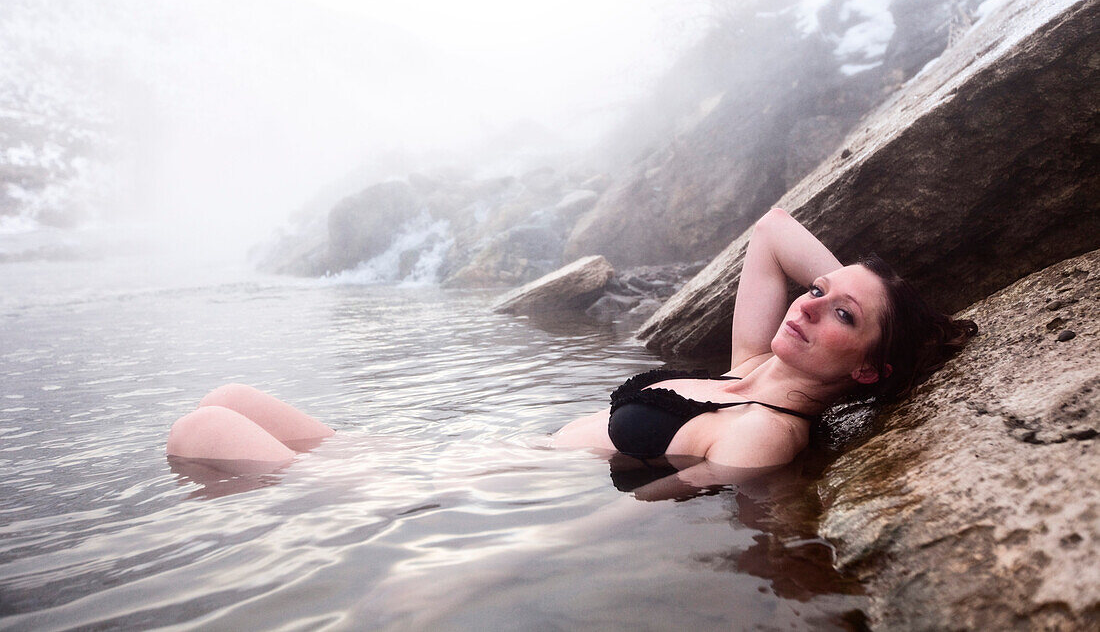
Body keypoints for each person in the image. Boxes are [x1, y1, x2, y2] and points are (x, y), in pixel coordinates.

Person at [167, 209, 976, 490]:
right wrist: (858, 293)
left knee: (196, 432)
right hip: (456, 456)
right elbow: (770, 232)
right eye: (813, 290)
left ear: (868, 367)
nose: (808, 302)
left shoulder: (766, 427)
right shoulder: (749, 370)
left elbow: (642, 517)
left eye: (841, 317)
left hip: (470, 496)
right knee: (232, 394)